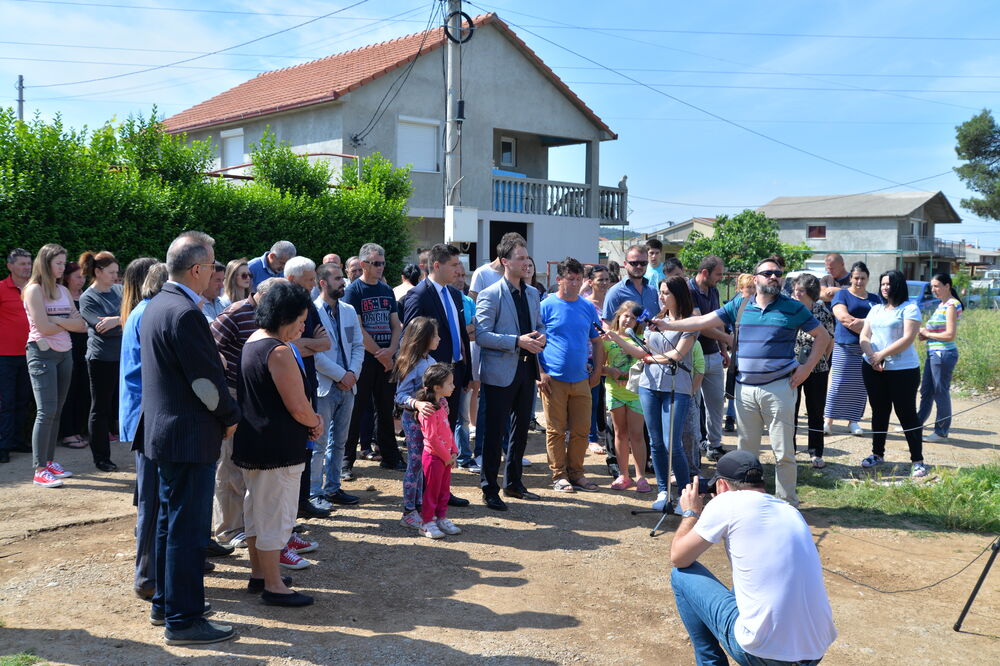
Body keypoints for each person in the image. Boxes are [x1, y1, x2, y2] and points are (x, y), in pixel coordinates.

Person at [138, 231, 241, 645]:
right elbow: (205, 383)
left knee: (169, 522)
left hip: (166, 433)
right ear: (196, 269)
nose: (217, 270)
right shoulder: (184, 313)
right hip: (187, 435)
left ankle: (167, 603)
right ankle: (183, 619)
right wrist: (230, 417)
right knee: (185, 528)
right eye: (214, 264)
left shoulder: (158, 304)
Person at [659, 258, 830, 507]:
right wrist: (668, 324)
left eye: (777, 273)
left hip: (779, 388)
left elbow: (822, 336)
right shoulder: (739, 305)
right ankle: (748, 504)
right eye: (768, 273)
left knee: (784, 453)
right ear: (755, 278)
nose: (774, 277)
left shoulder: (793, 308)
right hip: (745, 389)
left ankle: (787, 504)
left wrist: (806, 369)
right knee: (746, 454)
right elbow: (702, 321)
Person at [669, 451, 837, 666]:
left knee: (682, 576)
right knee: (742, 585)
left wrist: (691, 512)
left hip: (765, 655)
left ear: (721, 486)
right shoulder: (789, 510)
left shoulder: (727, 501)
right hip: (814, 651)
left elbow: (679, 557)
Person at [234, 280, 320, 607]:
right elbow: (298, 405)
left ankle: (260, 575)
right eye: (300, 319)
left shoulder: (253, 341)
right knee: (275, 517)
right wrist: (315, 423)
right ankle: (273, 586)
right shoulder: (280, 351)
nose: (303, 325)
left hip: (254, 445)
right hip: (278, 450)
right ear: (285, 316)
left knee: (257, 513)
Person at [612, 276, 697, 512]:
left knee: (673, 443)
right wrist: (617, 337)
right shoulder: (655, 320)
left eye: (666, 292)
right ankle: (662, 491)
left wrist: (649, 358)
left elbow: (677, 355)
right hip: (649, 386)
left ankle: (683, 495)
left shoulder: (690, 323)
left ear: (678, 295)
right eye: (660, 292)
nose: (661, 296)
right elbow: (641, 352)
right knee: (656, 442)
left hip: (676, 387)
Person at [475, 234, 546, 511]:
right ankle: (489, 488)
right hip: (499, 372)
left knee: (520, 432)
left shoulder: (532, 293)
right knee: (493, 434)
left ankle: (514, 483)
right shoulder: (490, 294)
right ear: (505, 262)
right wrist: (516, 341)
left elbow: (539, 324)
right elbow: (481, 335)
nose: (526, 262)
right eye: (520, 258)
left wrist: (541, 338)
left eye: (527, 257)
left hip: (527, 370)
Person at [210, 278, 281, 551]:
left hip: (253, 397)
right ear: (262, 297)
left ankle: (246, 523)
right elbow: (209, 348)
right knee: (228, 462)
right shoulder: (235, 313)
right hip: (231, 393)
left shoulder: (268, 317)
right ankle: (228, 529)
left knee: (245, 462)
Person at [400, 244, 474, 505]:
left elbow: (461, 335)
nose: (459, 269)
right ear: (436, 266)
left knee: (447, 433)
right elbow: (409, 341)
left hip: (452, 377)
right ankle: (422, 495)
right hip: (428, 386)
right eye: (454, 265)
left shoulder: (454, 295)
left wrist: (466, 372)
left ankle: (441, 489)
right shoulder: (418, 296)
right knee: (428, 444)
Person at [119, 262, 168, 601]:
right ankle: (147, 577)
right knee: (151, 500)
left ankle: (154, 568)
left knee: (149, 498)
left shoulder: (142, 309)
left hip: (143, 414)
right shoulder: (152, 313)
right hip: (147, 416)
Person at [23, 244, 88, 487]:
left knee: (56, 410)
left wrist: (54, 319)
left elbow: (81, 325)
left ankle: (49, 461)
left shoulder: (62, 289)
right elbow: (43, 328)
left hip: (65, 354)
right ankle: (39, 469)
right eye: (59, 263)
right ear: (46, 263)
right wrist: (63, 321)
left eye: (63, 263)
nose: (63, 267)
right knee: (46, 411)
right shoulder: (34, 290)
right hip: (42, 354)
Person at [538, 257, 604, 493]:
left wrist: (597, 369)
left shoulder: (587, 307)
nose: (575, 284)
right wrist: (541, 372)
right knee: (555, 430)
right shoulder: (545, 306)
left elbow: (597, 341)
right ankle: (559, 475)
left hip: (581, 379)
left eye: (578, 279)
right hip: (553, 379)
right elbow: (535, 341)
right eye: (570, 279)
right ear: (558, 280)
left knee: (581, 430)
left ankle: (577, 473)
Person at [859, 270, 926, 477]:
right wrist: (872, 357)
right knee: (879, 410)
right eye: (882, 284)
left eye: (889, 284)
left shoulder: (910, 308)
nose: (885, 287)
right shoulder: (876, 309)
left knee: (906, 413)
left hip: (903, 370)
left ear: (898, 286)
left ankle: (917, 460)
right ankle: (877, 454)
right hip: (873, 367)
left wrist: (881, 355)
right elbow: (864, 335)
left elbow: (908, 338)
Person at [344, 243, 404, 473]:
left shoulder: (387, 290)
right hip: (365, 359)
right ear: (363, 264)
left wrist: (390, 350)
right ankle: (346, 461)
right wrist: (381, 354)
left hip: (387, 357)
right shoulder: (354, 291)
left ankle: (390, 456)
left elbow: (396, 324)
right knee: (356, 409)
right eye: (376, 263)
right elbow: (357, 328)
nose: (380, 267)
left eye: (382, 263)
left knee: (386, 407)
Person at [283, 256, 333, 517]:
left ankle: (303, 501)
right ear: (292, 280)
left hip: (309, 380)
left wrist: (302, 345)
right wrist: (306, 345)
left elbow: (327, 343)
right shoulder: (283, 306)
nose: (315, 284)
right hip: (291, 383)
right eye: (310, 280)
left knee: (308, 443)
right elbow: (284, 346)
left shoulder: (309, 306)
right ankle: (293, 507)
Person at [311, 262, 364, 506]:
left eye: (342, 277)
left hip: (348, 385)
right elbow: (314, 354)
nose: (343, 282)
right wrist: (341, 375)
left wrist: (352, 373)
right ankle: (315, 492)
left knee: (340, 442)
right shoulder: (312, 312)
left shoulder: (349, 310)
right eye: (336, 278)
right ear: (322, 283)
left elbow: (358, 346)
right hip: (325, 386)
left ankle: (333, 488)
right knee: (319, 443)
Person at [78, 250, 123, 473]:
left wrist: (117, 320)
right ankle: (101, 457)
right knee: (101, 408)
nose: (116, 276)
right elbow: (102, 329)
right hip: (101, 359)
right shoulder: (88, 297)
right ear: (98, 272)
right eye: (112, 272)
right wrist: (119, 322)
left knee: (118, 406)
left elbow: (134, 318)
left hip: (122, 357)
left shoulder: (119, 290)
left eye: (117, 271)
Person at [394, 317, 441, 529]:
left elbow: (435, 392)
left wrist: (443, 405)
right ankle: (408, 511)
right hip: (413, 422)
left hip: (429, 423)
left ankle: (419, 503)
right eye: (435, 336)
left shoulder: (431, 363)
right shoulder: (412, 365)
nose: (439, 339)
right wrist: (417, 404)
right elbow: (400, 396)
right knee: (415, 463)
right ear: (423, 339)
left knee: (424, 463)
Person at [824, 261, 879, 436]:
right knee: (838, 383)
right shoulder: (842, 295)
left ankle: (853, 421)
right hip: (844, 346)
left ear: (868, 279)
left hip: (867, 348)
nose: (859, 281)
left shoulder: (875, 299)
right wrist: (869, 323)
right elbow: (845, 319)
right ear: (851, 278)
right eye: (856, 278)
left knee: (861, 386)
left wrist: (863, 323)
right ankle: (828, 420)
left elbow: (880, 321)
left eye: (863, 278)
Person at [601, 301, 649, 492]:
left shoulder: (641, 338)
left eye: (633, 317)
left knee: (637, 435)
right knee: (620, 433)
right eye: (625, 316)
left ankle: (641, 476)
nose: (628, 320)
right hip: (615, 392)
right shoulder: (606, 339)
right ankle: (623, 474)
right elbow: (600, 367)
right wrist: (610, 371)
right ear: (618, 317)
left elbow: (645, 358)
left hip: (636, 393)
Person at [688, 256, 732, 463]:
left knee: (715, 403)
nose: (720, 279)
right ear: (705, 273)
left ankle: (714, 445)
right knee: (693, 405)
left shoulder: (713, 290)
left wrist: (723, 350)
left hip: (713, 354)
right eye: (718, 274)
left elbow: (719, 321)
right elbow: (701, 325)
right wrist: (728, 339)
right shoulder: (689, 291)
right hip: (694, 355)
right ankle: (695, 445)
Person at [413, 363, 462, 539]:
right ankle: (426, 522)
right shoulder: (427, 410)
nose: (453, 386)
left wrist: (454, 451)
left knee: (444, 490)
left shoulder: (442, 406)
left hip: (446, 457)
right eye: (449, 383)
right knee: (432, 491)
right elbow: (432, 438)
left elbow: (447, 431)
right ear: (437, 387)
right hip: (434, 458)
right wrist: (446, 456)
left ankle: (441, 518)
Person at [791, 274, 835, 468]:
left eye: (800, 290)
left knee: (815, 412)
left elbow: (829, 340)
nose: (796, 293)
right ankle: (789, 450)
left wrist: (819, 360)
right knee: (789, 410)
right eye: (795, 289)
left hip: (817, 369)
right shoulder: (790, 310)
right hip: (791, 368)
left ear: (810, 292)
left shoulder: (822, 312)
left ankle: (816, 452)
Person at [917, 274, 963, 442]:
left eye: (937, 286)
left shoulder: (951, 305)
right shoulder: (941, 305)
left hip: (943, 354)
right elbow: (936, 332)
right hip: (934, 353)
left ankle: (941, 431)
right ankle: (916, 424)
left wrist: (928, 333)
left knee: (940, 392)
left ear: (947, 286)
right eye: (932, 287)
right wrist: (925, 335)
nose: (933, 290)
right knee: (926, 390)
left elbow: (950, 335)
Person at [1, 249, 33, 464]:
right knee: (6, 402)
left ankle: (18, 440)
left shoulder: (35, 289)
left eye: (29, 263)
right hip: (5, 356)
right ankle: (3, 446)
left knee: (24, 401)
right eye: (22, 264)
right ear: (10, 266)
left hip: (31, 354)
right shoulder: (1, 289)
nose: (27, 267)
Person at [57, 260, 90, 449]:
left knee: (84, 390)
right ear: (67, 277)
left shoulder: (87, 296)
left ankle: (78, 430)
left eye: (84, 276)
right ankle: (68, 433)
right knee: (68, 391)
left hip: (86, 349)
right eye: (77, 276)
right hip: (67, 348)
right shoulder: (61, 297)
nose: (81, 280)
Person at [584, 265, 612, 455]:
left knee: (606, 399)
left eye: (606, 279)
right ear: (591, 282)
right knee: (592, 399)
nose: (603, 283)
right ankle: (590, 437)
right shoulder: (585, 304)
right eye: (599, 279)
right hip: (590, 356)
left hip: (610, 356)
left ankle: (601, 432)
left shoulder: (612, 303)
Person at [602, 244, 659, 324]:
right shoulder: (615, 292)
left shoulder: (653, 291)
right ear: (625, 264)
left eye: (643, 263)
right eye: (634, 263)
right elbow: (607, 324)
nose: (639, 266)